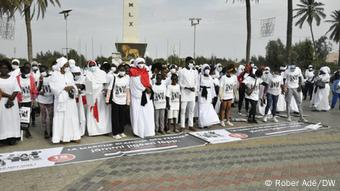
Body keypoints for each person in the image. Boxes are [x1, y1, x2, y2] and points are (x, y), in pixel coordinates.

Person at [49, 57, 81, 144]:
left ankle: (74, 136)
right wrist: (64, 87)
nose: (67, 67)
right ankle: (62, 137)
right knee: (61, 118)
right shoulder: (55, 74)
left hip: (70, 99)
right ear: (61, 66)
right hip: (61, 99)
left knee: (72, 117)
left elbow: (73, 84)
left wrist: (73, 88)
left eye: (68, 65)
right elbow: (53, 87)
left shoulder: (69, 74)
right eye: (65, 65)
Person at [129, 58, 155, 138]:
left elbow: (149, 82)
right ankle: (137, 131)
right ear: (136, 63)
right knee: (138, 115)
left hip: (147, 97)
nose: (141, 64)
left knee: (148, 113)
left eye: (143, 62)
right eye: (139, 62)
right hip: (137, 98)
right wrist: (145, 88)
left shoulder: (146, 72)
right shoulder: (133, 72)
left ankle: (148, 131)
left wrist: (149, 88)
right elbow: (135, 84)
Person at [85, 60, 112, 136]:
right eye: (90, 65)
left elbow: (106, 84)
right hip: (92, 97)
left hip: (101, 96)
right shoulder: (87, 74)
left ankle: (105, 130)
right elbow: (88, 86)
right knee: (92, 113)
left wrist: (105, 91)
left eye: (93, 65)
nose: (92, 67)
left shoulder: (102, 73)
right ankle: (93, 131)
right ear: (88, 66)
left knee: (104, 113)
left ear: (96, 65)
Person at [106, 64, 130, 139]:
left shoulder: (126, 78)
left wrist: (128, 101)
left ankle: (121, 131)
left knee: (122, 118)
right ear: (118, 70)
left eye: (123, 70)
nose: (122, 71)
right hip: (115, 100)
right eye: (121, 70)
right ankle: (115, 133)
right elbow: (109, 89)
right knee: (115, 118)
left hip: (123, 101)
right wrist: (107, 99)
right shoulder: (114, 78)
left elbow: (127, 90)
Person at [0, 59, 21, 145]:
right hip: (1, 101)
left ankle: (13, 137)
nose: (4, 70)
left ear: (9, 69)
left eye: (6, 68)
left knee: (12, 119)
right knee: (3, 120)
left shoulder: (13, 78)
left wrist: (11, 99)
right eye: (2, 68)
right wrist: (9, 97)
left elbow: (16, 90)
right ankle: (2, 138)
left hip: (12, 102)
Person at [16, 62, 38, 138]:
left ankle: (27, 130)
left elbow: (34, 89)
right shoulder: (17, 78)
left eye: (28, 69)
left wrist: (34, 98)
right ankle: (19, 131)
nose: (27, 70)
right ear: (22, 70)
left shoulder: (31, 78)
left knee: (27, 116)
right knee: (19, 116)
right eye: (25, 69)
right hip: (19, 100)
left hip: (28, 100)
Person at [178, 57, 198, 132]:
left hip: (192, 93)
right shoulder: (181, 71)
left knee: (191, 110)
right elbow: (180, 83)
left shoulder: (194, 72)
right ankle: (182, 126)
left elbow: (196, 82)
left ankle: (190, 125)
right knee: (183, 110)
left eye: (192, 62)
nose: (191, 64)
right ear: (186, 62)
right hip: (184, 93)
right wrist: (187, 87)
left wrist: (194, 89)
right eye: (190, 62)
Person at [197, 64, 220, 128]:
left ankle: (206, 123)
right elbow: (197, 86)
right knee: (201, 108)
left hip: (209, 93)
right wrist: (197, 94)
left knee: (208, 108)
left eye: (208, 69)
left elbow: (212, 87)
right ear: (203, 70)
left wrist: (213, 96)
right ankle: (201, 123)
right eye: (206, 68)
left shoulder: (210, 77)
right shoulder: (200, 76)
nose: (207, 70)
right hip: (202, 93)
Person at [36, 65, 54, 139]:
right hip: (42, 100)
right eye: (41, 71)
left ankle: (52, 130)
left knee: (51, 116)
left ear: (47, 70)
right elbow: (37, 89)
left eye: (43, 71)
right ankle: (45, 131)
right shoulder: (39, 78)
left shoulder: (52, 77)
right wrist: (41, 81)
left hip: (50, 99)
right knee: (43, 116)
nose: (42, 72)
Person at [71, 66, 86, 136]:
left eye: (78, 74)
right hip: (72, 101)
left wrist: (81, 87)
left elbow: (86, 87)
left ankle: (82, 132)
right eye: (75, 74)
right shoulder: (70, 79)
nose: (77, 75)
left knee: (81, 116)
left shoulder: (84, 78)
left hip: (81, 101)